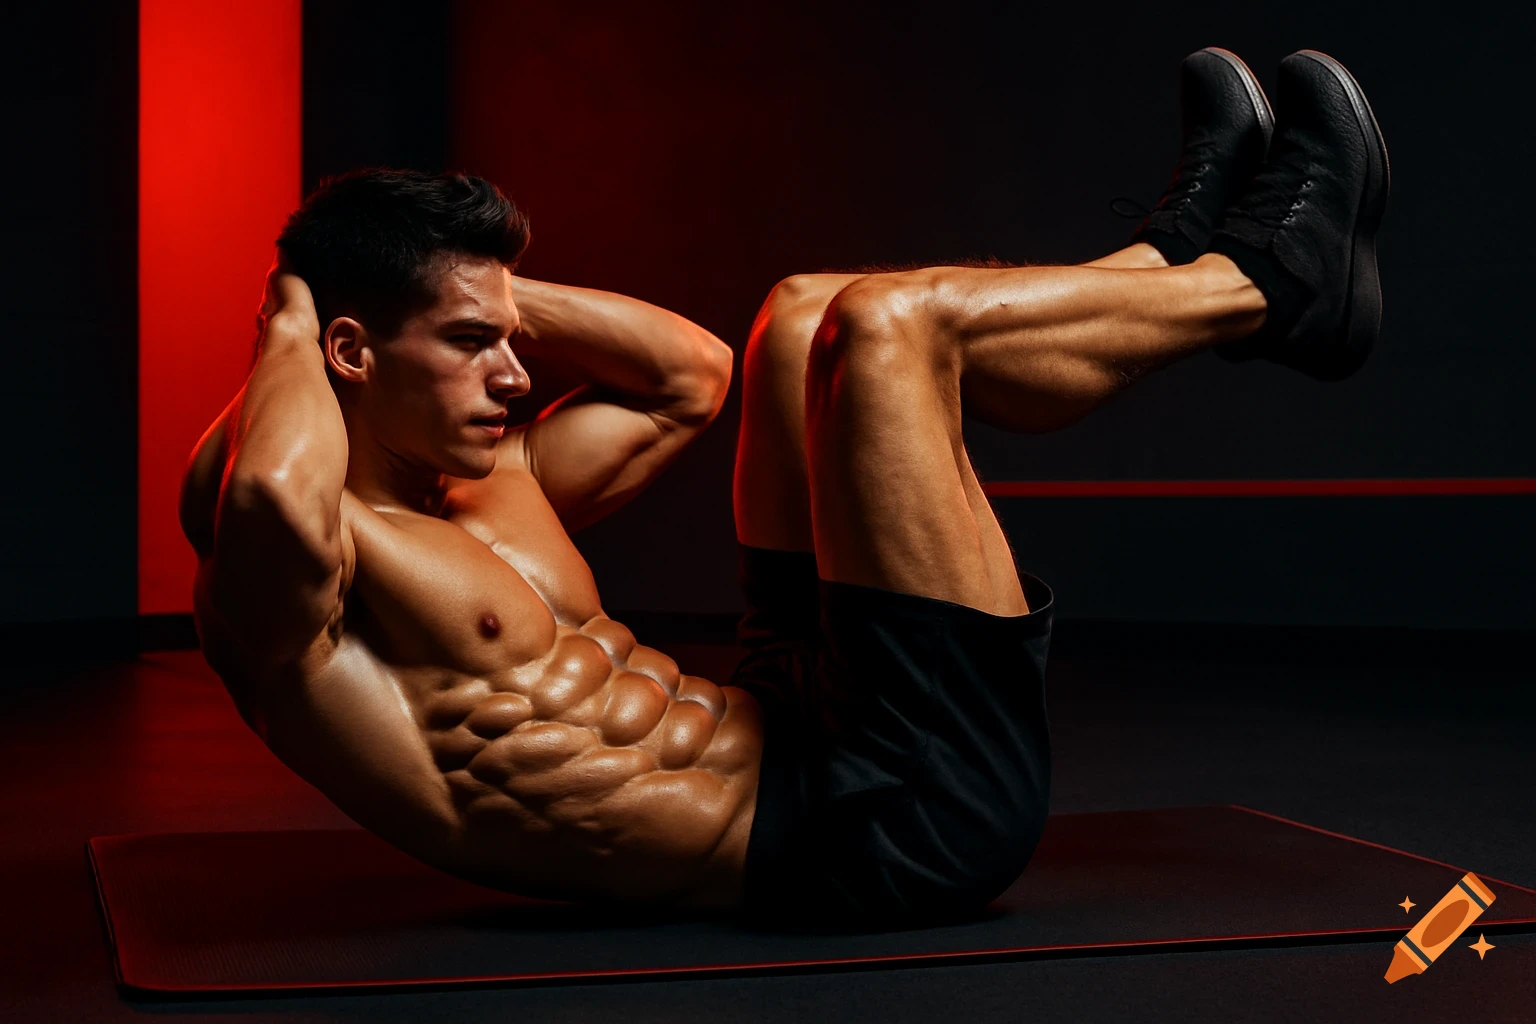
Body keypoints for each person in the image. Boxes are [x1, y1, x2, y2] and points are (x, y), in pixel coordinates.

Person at [179, 46, 1386, 927]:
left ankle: (1160, 264)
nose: (514, 371)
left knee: (798, 315)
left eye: (510, 338)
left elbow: (687, 378)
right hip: (882, 827)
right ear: (340, 351)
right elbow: (271, 496)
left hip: (797, 709)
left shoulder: (487, 480)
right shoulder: (299, 585)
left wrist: (458, 288)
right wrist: (293, 297)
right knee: (888, 324)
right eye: (469, 344)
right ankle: (1271, 284)